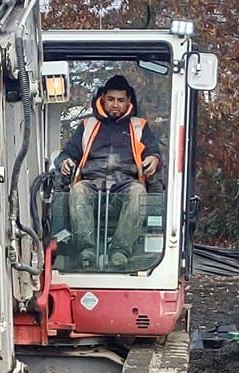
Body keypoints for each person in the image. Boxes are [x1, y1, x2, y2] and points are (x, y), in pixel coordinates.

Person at [56, 72, 164, 270]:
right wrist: (64, 162)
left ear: (129, 100)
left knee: (138, 192)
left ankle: (120, 252)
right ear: (102, 99)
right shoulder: (87, 125)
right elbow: (67, 153)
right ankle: (86, 251)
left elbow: (154, 153)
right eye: (111, 99)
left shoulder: (139, 126)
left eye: (121, 100)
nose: (116, 105)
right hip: (92, 186)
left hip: (125, 186)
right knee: (78, 189)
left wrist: (153, 159)